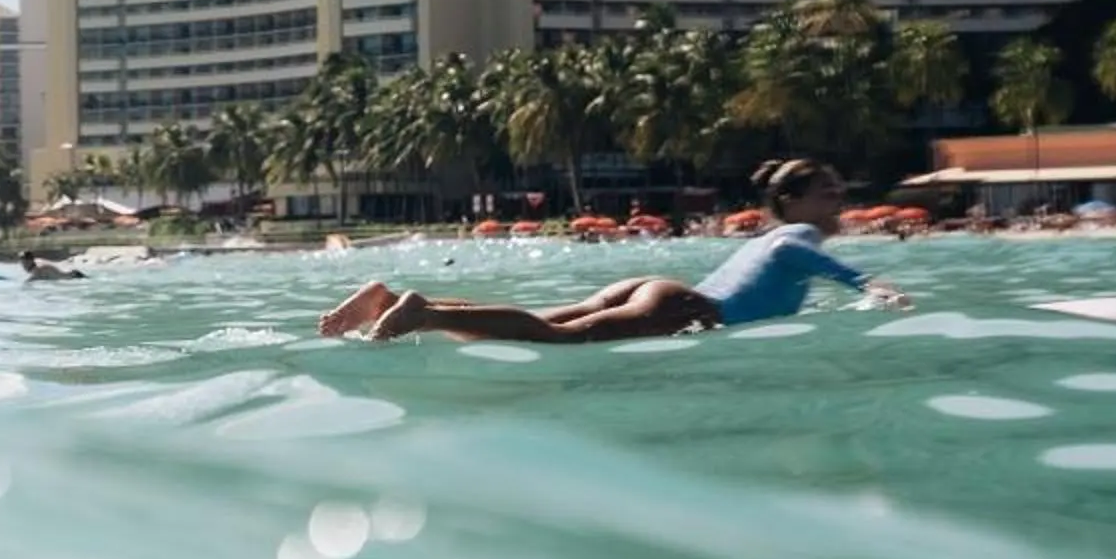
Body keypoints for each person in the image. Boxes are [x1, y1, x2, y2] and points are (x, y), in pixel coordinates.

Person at [316, 158, 907, 345]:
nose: (838, 200)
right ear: (793, 202)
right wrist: (867, 285)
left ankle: (391, 302)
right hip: (687, 309)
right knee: (559, 340)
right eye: (826, 192)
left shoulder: (772, 234)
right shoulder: (796, 237)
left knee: (541, 322)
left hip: (664, 292)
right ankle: (423, 312)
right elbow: (804, 261)